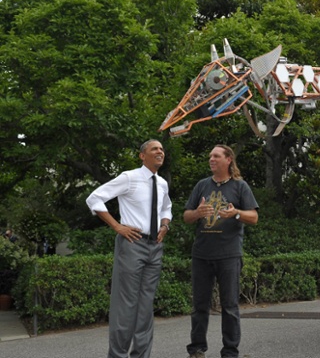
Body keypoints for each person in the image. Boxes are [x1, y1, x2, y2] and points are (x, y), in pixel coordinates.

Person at [86, 139, 172, 358]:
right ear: (142, 155)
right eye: (155, 149)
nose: (160, 151)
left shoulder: (161, 183)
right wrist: (117, 226)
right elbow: (94, 198)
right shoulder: (129, 177)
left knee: (145, 308)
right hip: (132, 245)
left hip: (155, 247)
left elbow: (166, 207)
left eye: (162, 149)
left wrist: (164, 225)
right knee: (125, 307)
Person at [184, 144, 258, 358]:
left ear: (228, 160)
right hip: (202, 255)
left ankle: (230, 351)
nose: (211, 159)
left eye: (216, 156)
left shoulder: (240, 186)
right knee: (199, 305)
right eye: (210, 156)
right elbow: (186, 217)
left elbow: (253, 217)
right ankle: (197, 349)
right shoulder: (201, 186)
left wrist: (236, 213)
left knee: (230, 306)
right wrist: (197, 212)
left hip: (229, 255)